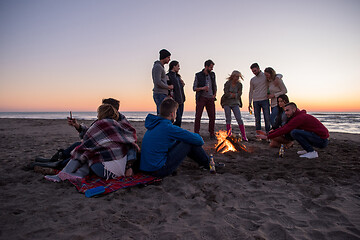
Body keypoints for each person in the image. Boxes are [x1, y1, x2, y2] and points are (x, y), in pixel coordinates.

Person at [45, 104, 140, 182]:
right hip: (120, 170)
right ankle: (78, 175)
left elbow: (86, 142)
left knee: (83, 151)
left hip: (105, 171)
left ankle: (61, 175)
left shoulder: (100, 124)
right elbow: (130, 141)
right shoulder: (118, 125)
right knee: (93, 152)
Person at [140, 98, 210, 178]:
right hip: (158, 170)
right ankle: (208, 164)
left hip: (146, 168)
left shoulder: (154, 125)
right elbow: (199, 140)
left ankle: (206, 163)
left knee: (181, 140)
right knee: (188, 142)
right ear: (172, 114)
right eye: (176, 112)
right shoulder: (168, 127)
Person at [257, 102, 329, 159]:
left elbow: (285, 129)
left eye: (287, 110)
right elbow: (284, 127)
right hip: (317, 138)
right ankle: (308, 149)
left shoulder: (299, 118)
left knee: (294, 132)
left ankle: (311, 152)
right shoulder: (296, 117)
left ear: (294, 109)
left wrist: (267, 137)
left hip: (322, 140)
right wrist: (268, 134)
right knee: (295, 132)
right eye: (285, 111)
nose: (285, 113)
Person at [220, 70, 247, 141]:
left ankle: (244, 136)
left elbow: (239, 94)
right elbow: (226, 93)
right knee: (228, 119)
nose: (237, 78)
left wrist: (232, 94)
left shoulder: (239, 85)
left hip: (235, 103)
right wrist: (233, 94)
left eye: (238, 77)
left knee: (239, 118)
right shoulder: (227, 83)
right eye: (236, 76)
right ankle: (229, 134)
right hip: (227, 102)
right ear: (232, 76)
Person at [193, 59, 217, 139]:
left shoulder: (213, 75)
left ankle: (212, 133)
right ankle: (196, 133)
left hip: (210, 98)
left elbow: (215, 85)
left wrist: (214, 94)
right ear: (206, 66)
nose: (212, 69)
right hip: (201, 97)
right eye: (211, 67)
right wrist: (203, 88)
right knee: (198, 116)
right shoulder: (198, 75)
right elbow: (194, 88)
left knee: (212, 116)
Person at [248, 63, 271, 137]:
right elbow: (251, 91)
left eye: (255, 70)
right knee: (257, 118)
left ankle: (268, 134)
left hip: (264, 99)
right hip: (255, 101)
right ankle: (258, 134)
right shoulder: (252, 80)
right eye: (253, 71)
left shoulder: (265, 76)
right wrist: (249, 102)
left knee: (267, 117)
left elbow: (276, 76)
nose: (254, 72)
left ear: (258, 68)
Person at [152, 49, 173, 115]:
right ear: (164, 57)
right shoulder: (158, 67)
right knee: (161, 114)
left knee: (163, 113)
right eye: (168, 57)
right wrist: (168, 87)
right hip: (159, 93)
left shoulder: (161, 67)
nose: (169, 59)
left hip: (163, 93)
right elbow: (157, 82)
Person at [167, 60, 186, 127]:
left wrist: (182, 84)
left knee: (179, 118)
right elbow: (168, 88)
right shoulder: (168, 76)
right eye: (178, 66)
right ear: (173, 66)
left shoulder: (178, 77)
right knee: (175, 118)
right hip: (174, 100)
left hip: (181, 100)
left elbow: (180, 88)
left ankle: (177, 132)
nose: (179, 68)